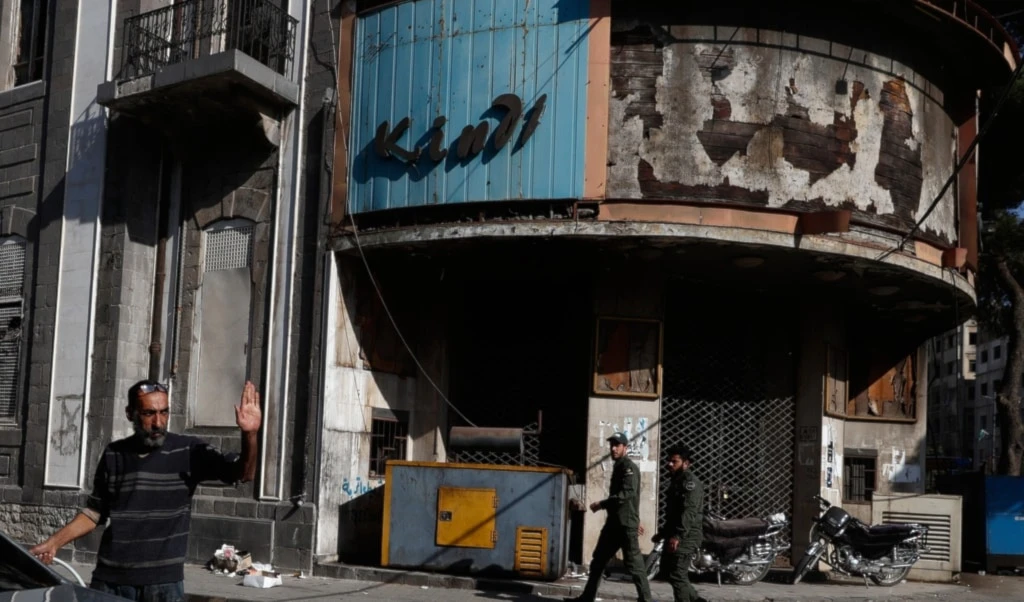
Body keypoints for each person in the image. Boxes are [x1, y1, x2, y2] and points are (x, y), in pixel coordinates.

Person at [30, 379, 262, 602]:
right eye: (149, 413)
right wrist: (54, 543)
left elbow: (243, 473)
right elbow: (94, 513)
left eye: (164, 412)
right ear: (130, 413)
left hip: (163, 585)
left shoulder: (188, 451)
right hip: (111, 581)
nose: (158, 422)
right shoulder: (114, 454)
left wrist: (249, 435)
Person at [566, 432, 652, 602]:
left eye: (617, 445)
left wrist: (602, 504)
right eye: (612, 445)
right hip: (615, 524)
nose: (613, 449)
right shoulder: (619, 466)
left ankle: (646, 599)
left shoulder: (628, 468)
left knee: (635, 565)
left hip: (625, 525)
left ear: (625, 448)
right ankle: (587, 597)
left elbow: (627, 494)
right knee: (598, 561)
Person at [657, 444, 706, 602]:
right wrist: (663, 533)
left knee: (677, 574)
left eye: (674, 461)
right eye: (669, 461)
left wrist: (678, 536)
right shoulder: (676, 480)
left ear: (686, 463)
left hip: (687, 535)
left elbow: (688, 512)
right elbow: (673, 513)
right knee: (668, 571)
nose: (669, 464)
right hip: (676, 532)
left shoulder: (690, 483)